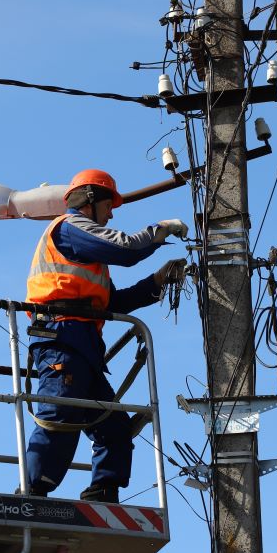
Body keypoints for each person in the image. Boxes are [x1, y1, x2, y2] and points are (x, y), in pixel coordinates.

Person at [24, 168, 188, 503]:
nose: (112, 212)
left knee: (113, 427)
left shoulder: (89, 256)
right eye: (108, 204)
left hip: (82, 342)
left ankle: (103, 489)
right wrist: (160, 231)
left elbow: (114, 302)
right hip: (61, 336)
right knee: (61, 411)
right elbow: (126, 249)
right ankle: (34, 491)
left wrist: (157, 281)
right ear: (90, 200)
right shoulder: (70, 227)